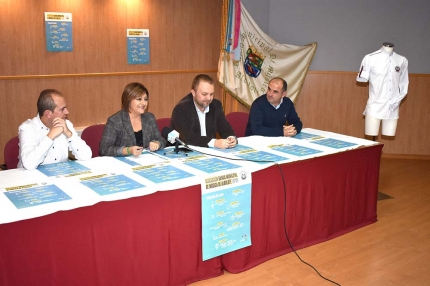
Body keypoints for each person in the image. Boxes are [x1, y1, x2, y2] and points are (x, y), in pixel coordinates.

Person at [18, 89, 92, 170]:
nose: (67, 112)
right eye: (62, 109)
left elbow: (86, 156)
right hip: (33, 178)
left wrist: (69, 134)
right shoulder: (27, 128)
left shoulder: (66, 124)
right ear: (48, 114)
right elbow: (29, 164)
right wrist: (50, 136)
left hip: (61, 174)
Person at [170, 74, 237, 149]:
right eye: (204, 94)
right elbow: (188, 138)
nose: (208, 98)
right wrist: (215, 143)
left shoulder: (216, 105)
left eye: (211, 94)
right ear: (193, 93)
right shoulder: (181, 109)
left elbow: (225, 128)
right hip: (187, 152)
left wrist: (231, 138)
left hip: (210, 151)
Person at [100, 82, 166, 156]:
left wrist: (157, 143)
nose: (143, 103)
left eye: (145, 99)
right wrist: (128, 150)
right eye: (139, 99)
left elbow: (161, 140)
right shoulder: (115, 121)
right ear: (128, 100)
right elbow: (104, 149)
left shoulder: (149, 118)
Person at [357, 42, 409, 137]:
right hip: (375, 106)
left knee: (389, 134)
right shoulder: (370, 58)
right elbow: (362, 78)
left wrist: (397, 100)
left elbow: (404, 83)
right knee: (371, 134)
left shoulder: (402, 60)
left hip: (393, 107)